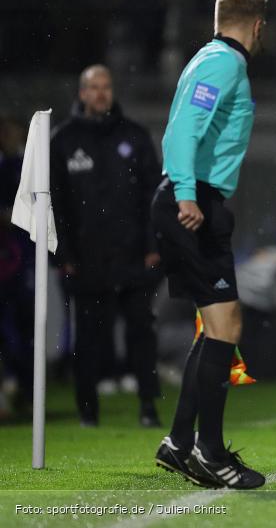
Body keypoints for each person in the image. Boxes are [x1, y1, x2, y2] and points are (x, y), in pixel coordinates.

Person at [151, 0, 268, 490]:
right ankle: (211, 453)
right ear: (258, 26)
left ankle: (180, 443)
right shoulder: (226, 63)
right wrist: (185, 193)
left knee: (214, 325)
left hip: (194, 197)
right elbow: (182, 131)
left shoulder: (208, 55)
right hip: (194, 200)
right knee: (226, 327)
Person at [48, 66, 163, 428]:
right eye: (93, 88)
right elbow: (55, 204)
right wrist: (63, 255)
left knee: (141, 335)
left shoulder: (134, 136)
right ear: (82, 93)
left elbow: (154, 195)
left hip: (133, 257)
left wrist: (152, 245)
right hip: (86, 261)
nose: (100, 93)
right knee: (89, 339)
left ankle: (148, 406)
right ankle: (87, 412)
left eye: (105, 87)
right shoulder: (62, 141)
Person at [0, 115, 34, 416]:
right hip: (9, 264)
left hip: (19, 263)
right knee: (9, 330)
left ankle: (23, 387)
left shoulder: (23, 168)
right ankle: (12, 384)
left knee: (23, 330)